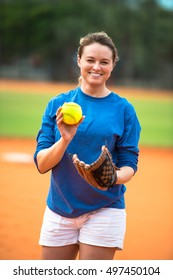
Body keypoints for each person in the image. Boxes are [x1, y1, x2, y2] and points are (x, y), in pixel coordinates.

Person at [34, 31, 141, 260]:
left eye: (104, 62)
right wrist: (64, 139)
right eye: (90, 60)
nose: (97, 67)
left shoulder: (124, 110)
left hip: (105, 209)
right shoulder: (58, 105)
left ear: (113, 66)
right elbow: (42, 165)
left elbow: (129, 165)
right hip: (59, 208)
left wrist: (111, 177)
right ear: (79, 60)